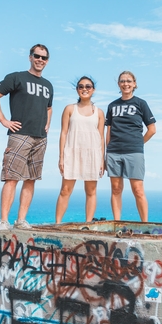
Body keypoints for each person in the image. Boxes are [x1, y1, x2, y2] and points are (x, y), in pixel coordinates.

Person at [0, 44, 53, 230]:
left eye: (44, 58)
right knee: (12, 178)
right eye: (37, 56)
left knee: (31, 179)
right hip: (19, 135)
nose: (40, 60)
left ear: (47, 61)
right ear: (30, 57)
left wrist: (47, 124)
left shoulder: (48, 85)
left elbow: (49, 107)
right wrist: (3, 120)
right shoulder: (17, 77)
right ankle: (3, 221)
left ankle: (21, 220)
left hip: (40, 138)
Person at [105, 71, 156, 222]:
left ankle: (145, 224)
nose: (125, 84)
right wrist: (107, 152)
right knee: (115, 189)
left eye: (129, 81)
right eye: (122, 81)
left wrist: (139, 143)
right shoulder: (112, 106)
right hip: (114, 152)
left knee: (138, 190)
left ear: (134, 84)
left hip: (134, 152)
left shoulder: (141, 103)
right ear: (118, 84)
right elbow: (108, 131)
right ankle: (117, 222)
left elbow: (152, 129)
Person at [54, 76, 105, 223]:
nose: (84, 89)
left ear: (93, 90)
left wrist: (102, 160)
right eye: (81, 86)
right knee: (65, 190)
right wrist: (61, 157)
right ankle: (57, 224)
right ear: (77, 90)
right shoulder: (70, 109)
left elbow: (101, 137)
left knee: (91, 191)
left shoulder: (99, 112)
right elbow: (63, 133)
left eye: (88, 86)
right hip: (72, 152)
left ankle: (88, 223)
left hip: (92, 154)